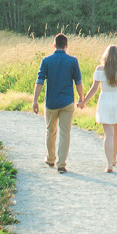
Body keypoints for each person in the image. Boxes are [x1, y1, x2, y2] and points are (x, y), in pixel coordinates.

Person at [78, 44, 117, 173]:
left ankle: (109, 164)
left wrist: (84, 102)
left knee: (108, 134)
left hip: (105, 101)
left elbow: (94, 89)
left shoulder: (100, 69)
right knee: (116, 134)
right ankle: (114, 158)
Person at [31, 33, 82, 173]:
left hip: (51, 102)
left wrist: (35, 100)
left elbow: (40, 81)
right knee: (65, 132)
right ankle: (61, 163)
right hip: (67, 102)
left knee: (50, 131)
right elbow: (78, 82)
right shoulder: (73, 61)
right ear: (66, 45)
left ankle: (50, 158)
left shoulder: (46, 60)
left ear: (54, 45)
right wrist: (81, 98)